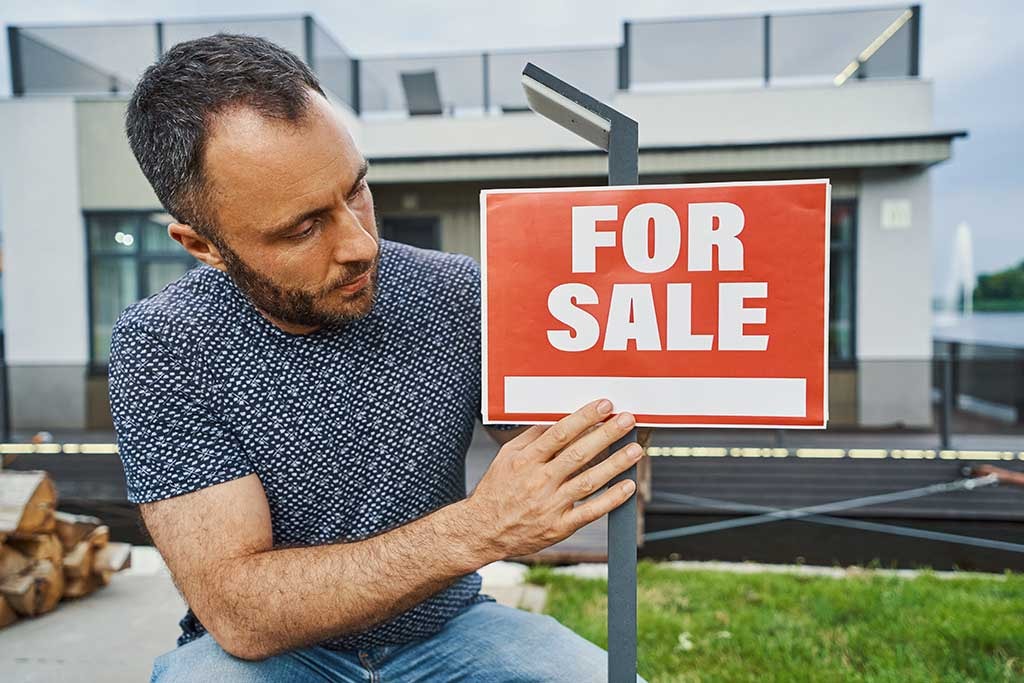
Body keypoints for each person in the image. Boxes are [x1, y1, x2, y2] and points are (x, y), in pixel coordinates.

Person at [110, 34, 647, 682]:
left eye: (356, 189)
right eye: (304, 227)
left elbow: (569, 446)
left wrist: (637, 375)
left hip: (450, 627)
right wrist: (478, 528)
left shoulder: (455, 290)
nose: (362, 244)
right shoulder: (163, 344)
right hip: (273, 657)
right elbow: (240, 609)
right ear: (203, 244)